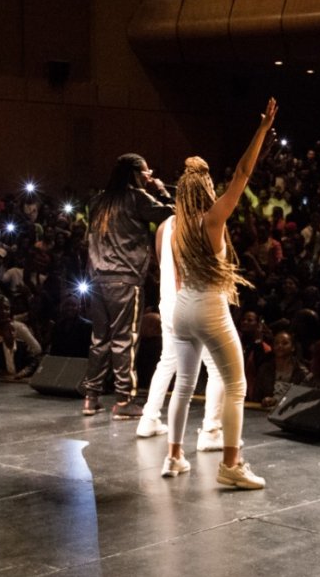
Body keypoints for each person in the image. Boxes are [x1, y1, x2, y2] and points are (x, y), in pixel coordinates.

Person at [164, 98, 277, 489]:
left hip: (182, 308)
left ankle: (175, 455)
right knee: (237, 386)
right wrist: (261, 130)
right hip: (209, 306)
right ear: (206, 189)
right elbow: (244, 173)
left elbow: (177, 274)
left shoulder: (175, 226)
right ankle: (231, 465)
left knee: (183, 383)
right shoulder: (212, 220)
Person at [79, 153, 174, 418]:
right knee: (125, 338)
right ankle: (123, 400)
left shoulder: (97, 201)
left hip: (97, 279)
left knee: (100, 339)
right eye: (146, 173)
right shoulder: (137, 198)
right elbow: (171, 214)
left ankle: (91, 397)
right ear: (136, 174)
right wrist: (161, 189)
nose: (149, 176)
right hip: (125, 279)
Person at [137, 212, 226, 458]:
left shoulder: (164, 226)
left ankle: (148, 418)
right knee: (216, 367)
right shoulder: (205, 223)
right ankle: (210, 431)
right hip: (194, 303)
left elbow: (161, 261)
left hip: (168, 304)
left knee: (167, 361)